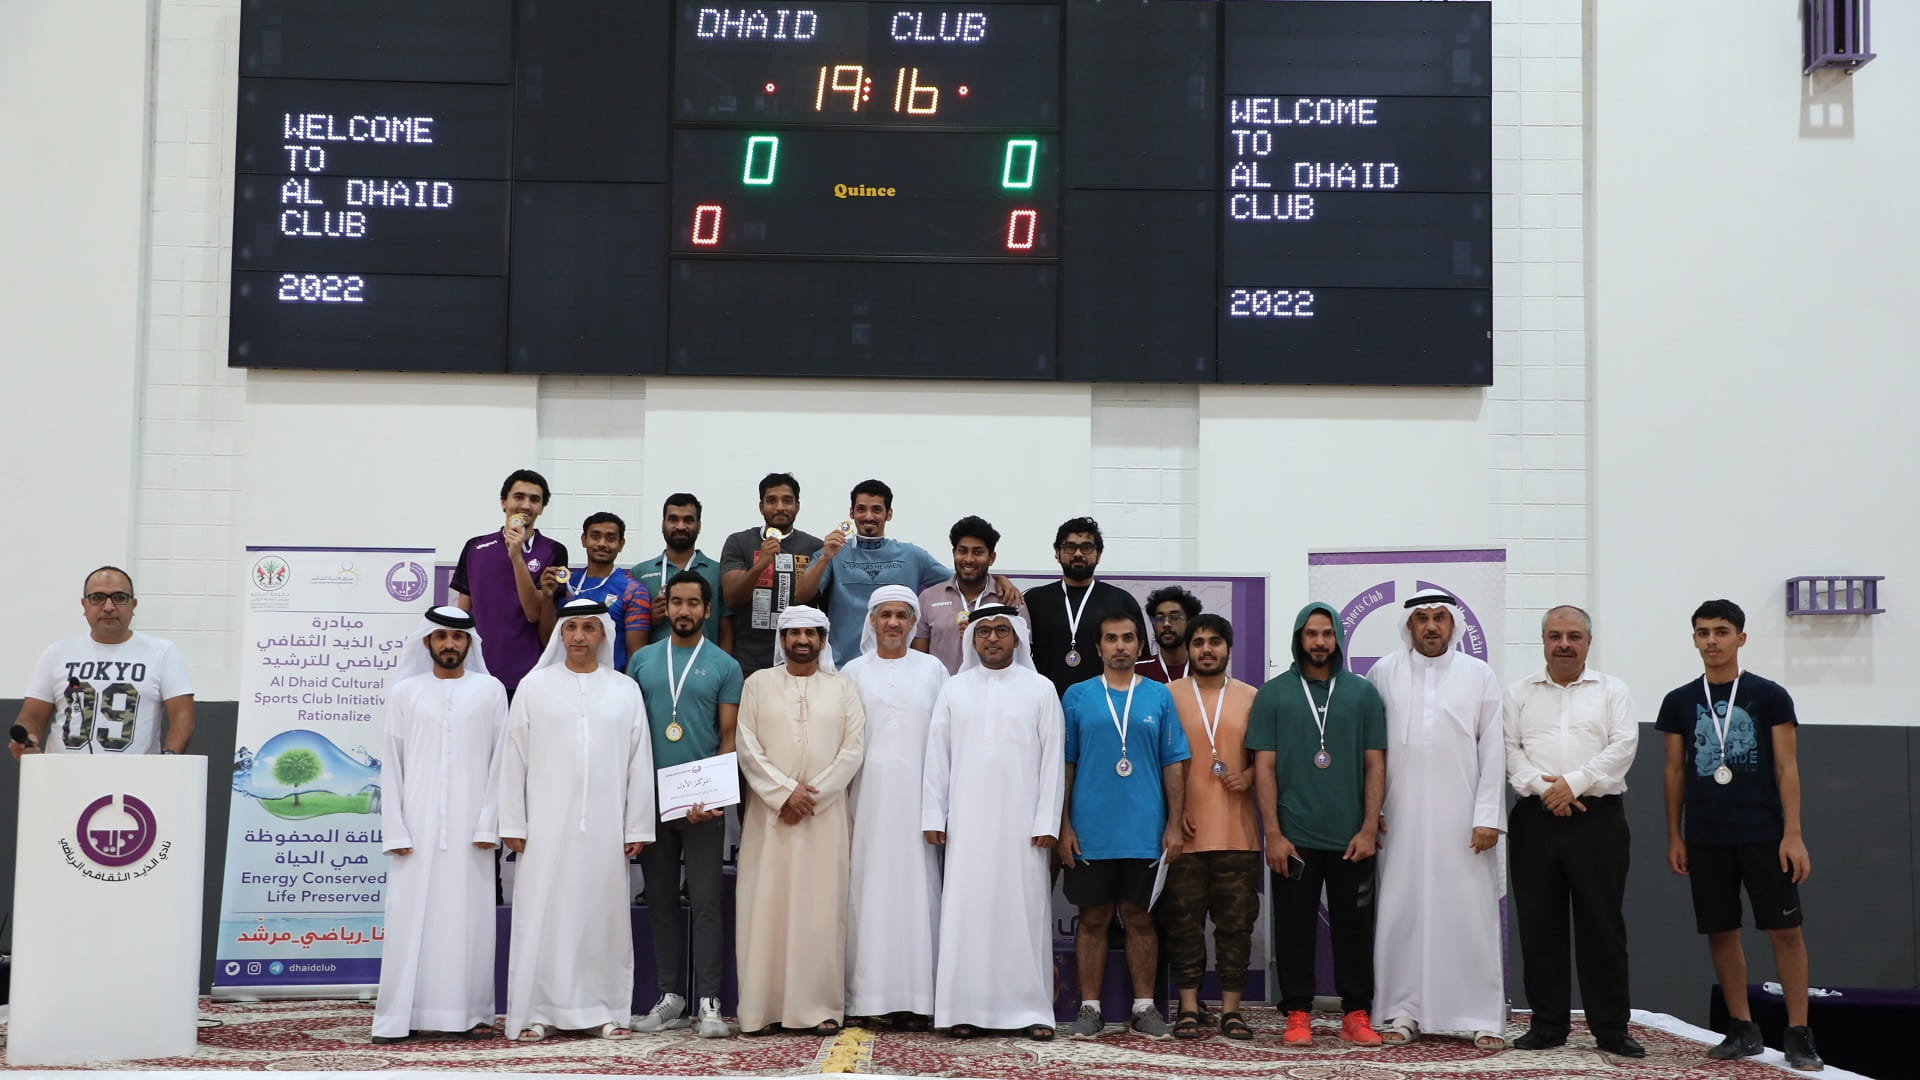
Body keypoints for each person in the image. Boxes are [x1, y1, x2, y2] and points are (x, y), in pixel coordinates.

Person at [1656, 599, 1821, 1071]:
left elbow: (1787, 767)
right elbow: (1673, 772)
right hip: (1706, 836)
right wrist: (1675, 833)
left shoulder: (1769, 695)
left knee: (1785, 931)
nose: (1712, 640)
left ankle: (1798, 1033)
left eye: (1722, 631)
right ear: (1694, 639)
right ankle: (1742, 1028)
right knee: (1721, 931)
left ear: (1741, 638)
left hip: (1764, 833)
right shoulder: (1678, 701)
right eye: (1703, 632)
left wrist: (1793, 834)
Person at [498, 598, 655, 1043]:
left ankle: (603, 1009)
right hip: (546, 826)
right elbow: (514, 758)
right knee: (543, 914)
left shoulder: (624, 689)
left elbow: (637, 761)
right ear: (561, 635)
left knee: (600, 916)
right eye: (572, 628)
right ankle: (536, 1010)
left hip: (605, 827)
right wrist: (513, 821)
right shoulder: (535, 686)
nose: (581, 636)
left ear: (604, 634)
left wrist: (637, 825)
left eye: (590, 627)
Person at [1365, 593, 1506, 1049]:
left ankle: (1480, 1015)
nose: (1430, 627)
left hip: (1463, 819)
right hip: (1399, 818)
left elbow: (1493, 750)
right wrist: (1374, 813)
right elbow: (1371, 752)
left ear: (1454, 625)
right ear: (1409, 626)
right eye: (1422, 619)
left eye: (1439, 618)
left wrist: (1487, 816)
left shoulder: (1478, 675)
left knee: (1468, 914)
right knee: (1402, 912)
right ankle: (1402, 1011)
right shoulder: (1383, 673)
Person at [1504, 605, 1643, 1057]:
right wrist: (1545, 791)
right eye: (1555, 635)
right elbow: (1511, 750)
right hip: (1534, 819)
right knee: (1539, 927)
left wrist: (1573, 784)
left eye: (1574, 636)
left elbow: (1623, 746)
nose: (1564, 643)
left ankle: (1610, 1028)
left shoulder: (1611, 690)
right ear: (1543, 640)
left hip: (1597, 820)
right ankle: (1547, 1025)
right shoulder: (1518, 693)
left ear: (1588, 641)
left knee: (1602, 927)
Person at [922, 606, 1064, 1041]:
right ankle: (962, 1008)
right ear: (972, 640)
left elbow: (1053, 760)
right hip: (967, 823)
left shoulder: (1041, 688)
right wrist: (933, 813)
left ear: (1017, 638)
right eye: (983, 632)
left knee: (1024, 913)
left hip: (1024, 826)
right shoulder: (954, 689)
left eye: (1002, 630)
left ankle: (1030, 1009)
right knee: (968, 912)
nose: (993, 638)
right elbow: (936, 758)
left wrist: (1047, 820)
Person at [1248, 603, 1386, 1047]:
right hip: (1294, 839)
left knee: (1354, 930)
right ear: (1298, 638)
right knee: (1293, 929)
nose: (1320, 641)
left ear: (1338, 638)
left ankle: (1356, 1012)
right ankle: (1298, 1013)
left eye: (1327, 633)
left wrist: (1368, 828)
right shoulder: (1273, 694)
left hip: (1352, 839)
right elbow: (1264, 768)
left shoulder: (1363, 694)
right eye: (1311, 633)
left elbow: (1375, 764)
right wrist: (1273, 833)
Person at [372, 607, 508, 1044]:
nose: (450, 644)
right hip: (416, 825)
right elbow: (391, 766)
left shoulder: (490, 691)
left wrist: (489, 823)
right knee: (411, 920)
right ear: (428, 642)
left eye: (458, 637)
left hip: (473, 831)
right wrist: (395, 828)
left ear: (470, 644)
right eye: (442, 636)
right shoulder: (405, 693)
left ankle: (471, 1014)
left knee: (469, 923)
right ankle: (401, 1016)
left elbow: (500, 763)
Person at [734, 606, 866, 1035]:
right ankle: (762, 1008)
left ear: (824, 641)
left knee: (820, 912)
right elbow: (747, 746)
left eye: (811, 633)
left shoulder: (843, 688)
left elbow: (853, 749)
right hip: (771, 821)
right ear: (783, 640)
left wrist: (814, 795)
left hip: (823, 820)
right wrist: (782, 792)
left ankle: (817, 1008)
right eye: (794, 633)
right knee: (766, 909)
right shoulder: (757, 684)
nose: (803, 640)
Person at [1058, 610, 1188, 1040]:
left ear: (1139, 646)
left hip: (1145, 831)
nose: (1120, 646)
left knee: (1140, 918)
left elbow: (1174, 763)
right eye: (1111, 639)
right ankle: (1090, 1008)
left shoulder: (1159, 696)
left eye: (1128, 638)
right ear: (1098, 648)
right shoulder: (1076, 696)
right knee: (1093, 919)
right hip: (1090, 831)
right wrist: (1063, 824)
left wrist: (1173, 824)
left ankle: (1145, 1007)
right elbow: (1066, 765)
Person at [627, 571, 742, 1039]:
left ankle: (709, 1000)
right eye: (676, 602)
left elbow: (729, 735)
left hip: (702, 806)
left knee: (708, 901)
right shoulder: (641, 661)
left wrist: (710, 797)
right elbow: (631, 737)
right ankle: (671, 997)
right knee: (660, 901)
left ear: (707, 610)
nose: (684, 611)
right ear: (666, 605)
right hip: (651, 802)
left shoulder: (725, 665)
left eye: (694, 603)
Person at [841, 586, 949, 1029]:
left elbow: (944, 743)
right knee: (868, 894)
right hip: (866, 802)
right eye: (884, 615)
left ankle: (919, 998)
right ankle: (869, 998)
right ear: (871, 621)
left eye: (902, 616)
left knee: (919, 891)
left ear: (912, 622)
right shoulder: (852, 672)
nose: (892, 623)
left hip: (920, 803)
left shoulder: (933, 670)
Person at [1157, 614, 1261, 1041]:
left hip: (1239, 833)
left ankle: (1231, 1010)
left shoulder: (1253, 697)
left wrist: (1249, 777)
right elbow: (1157, 761)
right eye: (1198, 642)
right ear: (1189, 648)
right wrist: (1172, 811)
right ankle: (1188, 1006)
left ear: (1228, 649)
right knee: (1183, 924)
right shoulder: (1166, 695)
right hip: (1186, 832)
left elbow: (1268, 759)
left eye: (1214, 642)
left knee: (1235, 926)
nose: (1205, 649)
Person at [12, 566, 194, 761]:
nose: (108, 607)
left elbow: (183, 717)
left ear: (133, 605)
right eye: (97, 598)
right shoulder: (57, 653)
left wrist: (168, 760)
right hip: (62, 777)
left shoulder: (162, 652)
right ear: (84, 605)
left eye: (119, 597)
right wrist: (27, 738)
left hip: (135, 781)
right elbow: (31, 717)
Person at [450, 469, 570, 696]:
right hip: (478, 673)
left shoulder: (553, 551)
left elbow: (534, 613)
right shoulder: (475, 547)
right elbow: (462, 615)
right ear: (503, 502)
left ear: (542, 508)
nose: (526, 505)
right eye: (518, 497)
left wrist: (516, 556)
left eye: (535, 500)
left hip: (529, 676)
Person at [1026, 518, 1148, 698]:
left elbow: (1141, 661)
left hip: (1105, 707)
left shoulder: (1122, 601)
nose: (1077, 553)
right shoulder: (1033, 600)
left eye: (1086, 547)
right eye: (1069, 547)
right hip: (1044, 704)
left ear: (1098, 555)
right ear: (1057, 553)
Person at [720, 473, 823, 678]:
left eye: (787, 500)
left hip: (798, 663)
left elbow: (823, 606)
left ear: (797, 506)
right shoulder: (738, 542)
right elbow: (732, 599)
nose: (779, 507)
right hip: (748, 662)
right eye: (771, 500)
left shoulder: (815, 548)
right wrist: (760, 565)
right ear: (761, 506)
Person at [913, 515, 1026, 675]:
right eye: (962, 551)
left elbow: (1022, 654)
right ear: (954, 553)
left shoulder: (1010, 599)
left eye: (978, 552)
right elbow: (919, 660)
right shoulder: (929, 598)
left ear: (991, 557)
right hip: (942, 695)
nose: (969, 559)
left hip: (997, 694)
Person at [631, 493, 733, 653]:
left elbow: (727, 631)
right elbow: (630, 632)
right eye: (673, 519)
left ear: (698, 525)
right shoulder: (640, 572)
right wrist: (648, 619)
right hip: (655, 668)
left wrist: (724, 667)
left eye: (688, 520)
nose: (680, 526)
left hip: (704, 668)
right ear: (662, 524)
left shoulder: (718, 572)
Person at [568, 511, 651, 673]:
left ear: (621, 544)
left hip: (611, 684)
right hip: (567, 681)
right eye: (595, 536)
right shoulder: (567, 585)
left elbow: (636, 653)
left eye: (611, 538)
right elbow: (552, 638)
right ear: (584, 540)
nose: (602, 543)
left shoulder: (633, 590)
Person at [1134, 586, 1202, 684]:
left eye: (1174, 617)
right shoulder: (1137, 671)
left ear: (1190, 622)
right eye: (1160, 618)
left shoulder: (1203, 669)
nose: (1166, 624)